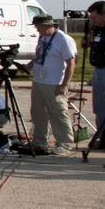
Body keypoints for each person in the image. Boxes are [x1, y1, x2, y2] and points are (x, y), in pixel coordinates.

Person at [26, 14, 77, 155]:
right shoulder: (43, 37)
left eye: (38, 27)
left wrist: (64, 84)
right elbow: (39, 54)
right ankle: (39, 141)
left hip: (54, 82)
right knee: (37, 112)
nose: (37, 30)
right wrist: (29, 65)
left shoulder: (63, 39)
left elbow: (71, 63)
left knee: (58, 112)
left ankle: (65, 144)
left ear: (49, 25)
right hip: (38, 80)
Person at [88, 1, 105, 135]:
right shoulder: (98, 29)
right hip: (98, 69)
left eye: (95, 17)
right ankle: (103, 137)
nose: (93, 21)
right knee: (99, 106)